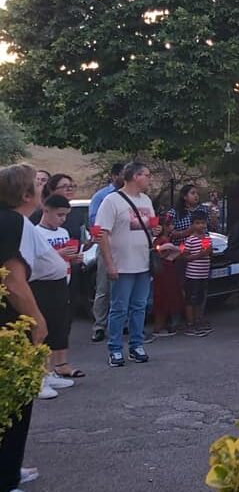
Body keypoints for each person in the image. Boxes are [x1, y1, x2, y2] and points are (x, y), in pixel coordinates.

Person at [0, 202, 47, 492]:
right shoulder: (11, 222)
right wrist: (37, 320)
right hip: (10, 328)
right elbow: (13, 280)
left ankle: (10, 470)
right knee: (14, 401)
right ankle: (7, 479)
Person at [96, 162, 159, 367]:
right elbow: (101, 233)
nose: (149, 179)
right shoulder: (111, 201)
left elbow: (150, 226)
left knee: (139, 306)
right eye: (146, 175)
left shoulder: (146, 200)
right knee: (119, 308)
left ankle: (136, 345)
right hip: (121, 264)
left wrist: (155, 231)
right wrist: (109, 264)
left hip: (143, 262)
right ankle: (115, 348)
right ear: (134, 176)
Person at [32, 194, 84, 395]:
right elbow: (34, 261)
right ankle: (38, 378)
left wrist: (74, 258)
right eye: (59, 214)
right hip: (41, 285)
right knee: (41, 331)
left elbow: (65, 258)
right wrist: (59, 255)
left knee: (57, 329)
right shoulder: (36, 233)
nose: (62, 219)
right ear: (46, 210)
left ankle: (50, 372)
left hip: (63, 282)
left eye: (65, 215)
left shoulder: (62, 232)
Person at [88, 163, 125, 343]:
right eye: (123, 175)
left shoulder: (131, 196)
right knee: (103, 289)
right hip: (107, 248)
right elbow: (95, 226)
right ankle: (99, 326)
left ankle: (121, 324)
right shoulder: (101, 197)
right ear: (113, 176)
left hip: (125, 249)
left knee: (123, 288)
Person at [150, 214, 184, 338]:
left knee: (168, 296)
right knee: (164, 297)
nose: (172, 227)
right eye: (170, 225)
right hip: (164, 271)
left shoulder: (165, 239)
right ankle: (158, 327)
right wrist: (177, 250)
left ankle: (163, 325)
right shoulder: (161, 241)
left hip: (168, 271)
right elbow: (162, 255)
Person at [181, 210, 214, 337]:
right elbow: (184, 256)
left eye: (203, 223)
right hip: (192, 275)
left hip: (203, 274)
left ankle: (198, 320)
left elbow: (206, 252)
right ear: (192, 225)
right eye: (198, 223)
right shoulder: (190, 240)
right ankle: (190, 323)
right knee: (191, 299)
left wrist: (209, 253)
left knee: (200, 299)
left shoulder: (206, 238)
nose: (201, 226)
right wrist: (199, 255)